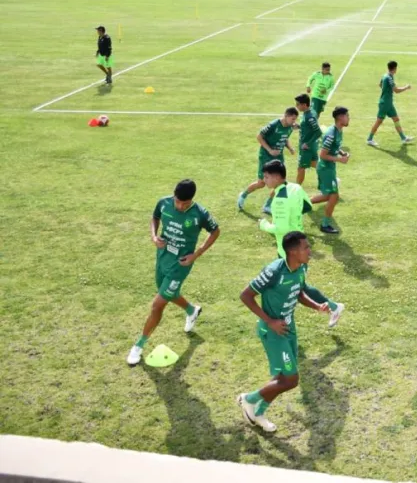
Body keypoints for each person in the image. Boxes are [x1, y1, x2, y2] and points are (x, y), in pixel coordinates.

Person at [237, 232, 343, 433]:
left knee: (281, 377)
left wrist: (316, 306)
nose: (310, 251)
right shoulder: (274, 271)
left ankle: (258, 412)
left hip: (289, 328)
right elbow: (246, 295)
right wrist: (270, 321)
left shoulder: (301, 267)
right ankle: (247, 399)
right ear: (293, 251)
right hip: (273, 331)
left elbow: (299, 291)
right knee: (291, 380)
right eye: (306, 248)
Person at [127, 179, 220, 366]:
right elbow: (154, 217)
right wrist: (154, 236)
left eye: (184, 204)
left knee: (157, 305)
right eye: (177, 201)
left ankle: (138, 346)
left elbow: (215, 231)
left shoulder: (200, 213)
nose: (179, 206)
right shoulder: (163, 203)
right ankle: (192, 310)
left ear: (192, 200)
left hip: (181, 265)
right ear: (173, 195)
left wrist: (196, 254)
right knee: (168, 293)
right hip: (162, 258)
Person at [238, 108, 298, 213]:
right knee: (261, 183)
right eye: (292, 119)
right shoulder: (273, 125)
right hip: (266, 156)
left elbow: (285, 138)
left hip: (278, 157)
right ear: (286, 116)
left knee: (280, 182)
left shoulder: (290, 127)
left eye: (295, 119)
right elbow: (259, 137)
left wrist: (290, 148)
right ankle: (243, 195)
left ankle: (267, 205)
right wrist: (270, 150)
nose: (294, 122)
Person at [258, 159, 314, 257]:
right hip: (301, 243)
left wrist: (264, 225)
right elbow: (308, 206)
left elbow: (282, 228)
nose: (264, 180)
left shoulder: (280, 200)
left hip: (287, 252)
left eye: (266, 177)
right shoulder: (296, 187)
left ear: (276, 177)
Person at [311, 106, 350, 235]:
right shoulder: (331, 134)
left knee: (328, 196)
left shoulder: (339, 130)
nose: (349, 118)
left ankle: (302, 203)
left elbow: (335, 146)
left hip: (329, 168)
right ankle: (325, 224)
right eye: (347, 116)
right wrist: (340, 159)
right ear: (340, 118)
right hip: (325, 169)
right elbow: (322, 154)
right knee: (334, 197)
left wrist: (342, 152)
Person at [367, 60, 414, 147]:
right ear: (395, 68)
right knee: (379, 121)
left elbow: (380, 85)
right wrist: (406, 87)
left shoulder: (385, 76)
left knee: (396, 119)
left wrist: (386, 91)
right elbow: (396, 90)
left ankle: (403, 138)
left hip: (388, 103)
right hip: (385, 104)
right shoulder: (389, 78)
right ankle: (369, 139)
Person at [294, 94, 322, 186]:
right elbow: (309, 128)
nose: (296, 106)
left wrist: (307, 144)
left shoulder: (310, 116)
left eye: (298, 104)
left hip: (307, 148)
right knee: (316, 165)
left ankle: (296, 189)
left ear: (304, 105)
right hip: (312, 146)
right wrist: (299, 126)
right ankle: (330, 180)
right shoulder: (308, 113)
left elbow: (318, 132)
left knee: (301, 168)